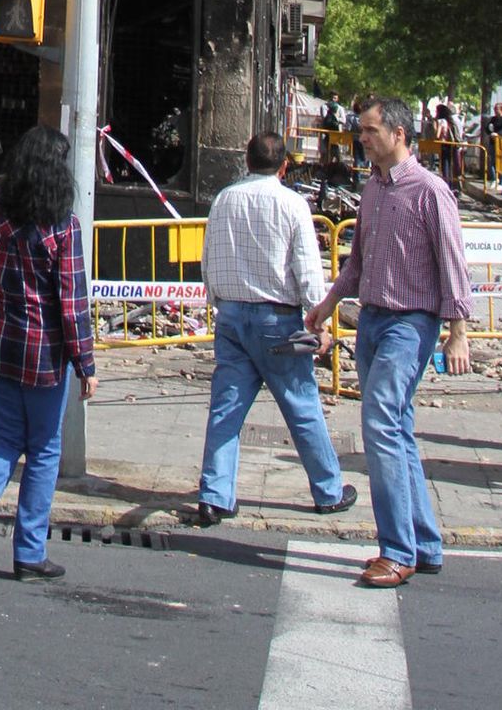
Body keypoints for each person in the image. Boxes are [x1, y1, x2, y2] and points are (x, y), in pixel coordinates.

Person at [309, 95, 474, 587]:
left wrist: (458, 331)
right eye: (361, 130)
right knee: (396, 429)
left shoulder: (430, 191)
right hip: (373, 320)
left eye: (370, 131)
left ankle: (396, 550)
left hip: (411, 323)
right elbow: (356, 263)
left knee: (379, 423)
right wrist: (327, 304)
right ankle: (423, 543)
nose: (362, 138)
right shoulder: (373, 190)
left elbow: (453, 264)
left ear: (398, 134)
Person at [0, 125, 96, 582]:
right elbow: (72, 304)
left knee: (7, 438)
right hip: (42, 353)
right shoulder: (62, 225)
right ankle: (29, 552)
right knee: (44, 448)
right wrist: (86, 363)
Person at [195, 131, 357, 525]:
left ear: (246, 162)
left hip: (232, 315)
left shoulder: (224, 200)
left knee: (226, 409)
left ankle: (215, 494)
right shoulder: (292, 204)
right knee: (301, 405)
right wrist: (318, 320)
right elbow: (306, 268)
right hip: (278, 319)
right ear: (284, 166)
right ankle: (328, 490)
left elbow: (209, 259)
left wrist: (219, 302)